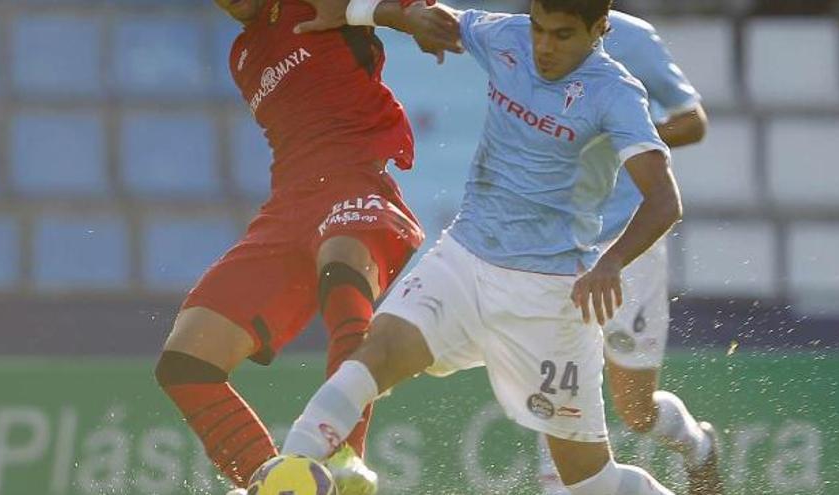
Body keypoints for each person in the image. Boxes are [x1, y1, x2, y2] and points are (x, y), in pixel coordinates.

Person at [276, 0, 689, 493]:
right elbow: (429, 19)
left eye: (561, 35)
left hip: (551, 297)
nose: (543, 46)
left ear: (599, 29)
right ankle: (285, 467)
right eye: (538, 28)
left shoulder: (616, 93)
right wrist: (355, 11)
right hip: (465, 258)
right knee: (378, 350)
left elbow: (665, 200)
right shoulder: (505, 36)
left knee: (588, 485)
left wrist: (612, 262)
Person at [151, 1, 461, 494]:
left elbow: (389, 7)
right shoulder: (243, 54)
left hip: (357, 180)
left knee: (343, 271)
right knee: (185, 361)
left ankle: (341, 458)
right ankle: (275, 483)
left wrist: (409, 16)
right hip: (288, 207)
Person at [536, 9, 723, 495]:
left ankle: (698, 447)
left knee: (635, 411)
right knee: (553, 384)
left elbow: (692, 121)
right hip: (552, 245)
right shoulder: (523, 35)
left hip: (627, 242)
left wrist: (624, 137)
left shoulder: (633, 39)